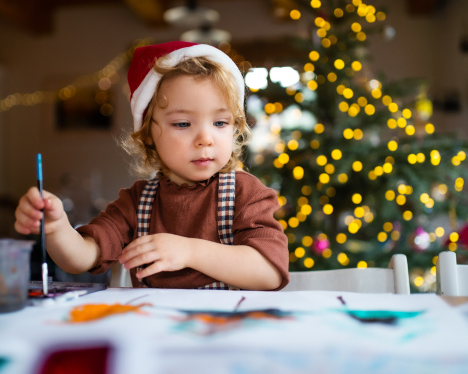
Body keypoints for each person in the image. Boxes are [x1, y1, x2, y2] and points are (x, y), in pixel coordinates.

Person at [15, 41, 289, 290]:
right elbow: (82, 258)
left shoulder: (245, 194)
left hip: (224, 335)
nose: (206, 138)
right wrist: (56, 228)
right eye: (182, 123)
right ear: (148, 134)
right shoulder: (136, 203)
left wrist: (189, 251)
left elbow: (269, 272)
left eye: (220, 122)